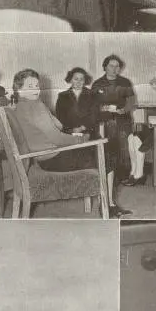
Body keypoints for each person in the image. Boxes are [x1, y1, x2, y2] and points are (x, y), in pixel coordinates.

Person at [13, 68, 126, 217]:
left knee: (98, 151)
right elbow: (58, 138)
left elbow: (58, 127)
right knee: (108, 156)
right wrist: (82, 139)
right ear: (19, 88)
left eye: (36, 86)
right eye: (29, 86)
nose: (35, 90)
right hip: (53, 158)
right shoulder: (35, 107)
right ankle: (108, 205)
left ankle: (107, 202)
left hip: (42, 157)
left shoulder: (20, 106)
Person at [91, 55, 136, 184]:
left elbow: (132, 102)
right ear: (105, 67)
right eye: (111, 65)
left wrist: (124, 110)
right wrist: (101, 108)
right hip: (105, 121)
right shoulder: (97, 84)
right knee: (109, 147)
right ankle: (110, 176)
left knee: (125, 147)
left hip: (123, 119)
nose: (114, 68)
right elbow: (92, 105)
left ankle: (124, 175)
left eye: (117, 66)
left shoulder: (125, 82)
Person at [55, 67, 99, 134]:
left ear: (85, 81)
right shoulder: (62, 96)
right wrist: (71, 130)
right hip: (69, 132)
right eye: (76, 79)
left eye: (81, 79)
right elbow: (60, 117)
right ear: (70, 80)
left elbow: (94, 115)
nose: (78, 82)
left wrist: (82, 128)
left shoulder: (92, 94)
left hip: (88, 131)